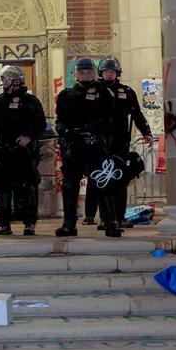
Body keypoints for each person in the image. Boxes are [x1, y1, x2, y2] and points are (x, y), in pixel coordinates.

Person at [55, 58, 120, 237]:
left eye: (88, 71)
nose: (84, 74)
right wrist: (62, 129)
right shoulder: (66, 94)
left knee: (102, 182)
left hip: (95, 144)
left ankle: (110, 222)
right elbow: (60, 118)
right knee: (69, 185)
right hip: (73, 145)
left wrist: (92, 127)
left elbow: (109, 119)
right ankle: (69, 223)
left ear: (94, 72)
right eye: (81, 71)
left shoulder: (104, 93)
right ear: (76, 73)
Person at [86, 56, 153, 229]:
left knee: (120, 180)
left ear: (117, 73)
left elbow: (137, 114)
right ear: (101, 73)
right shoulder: (95, 89)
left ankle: (120, 216)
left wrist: (146, 132)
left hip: (121, 141)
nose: (109, 74)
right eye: (107, 71)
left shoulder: (127, 91)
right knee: (103, 179)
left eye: (113, 71)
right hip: (100, 142)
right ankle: (105, 218)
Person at [0, 67, 47, 236]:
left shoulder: (30, 101)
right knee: (2, 187)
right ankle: (4, 224)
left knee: (27, 187)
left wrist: (29, 136)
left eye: (4, 78)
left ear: (15, 80)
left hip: (24, 151)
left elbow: (41, 124)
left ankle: (29, 224)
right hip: (3, 151)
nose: (2, 81)